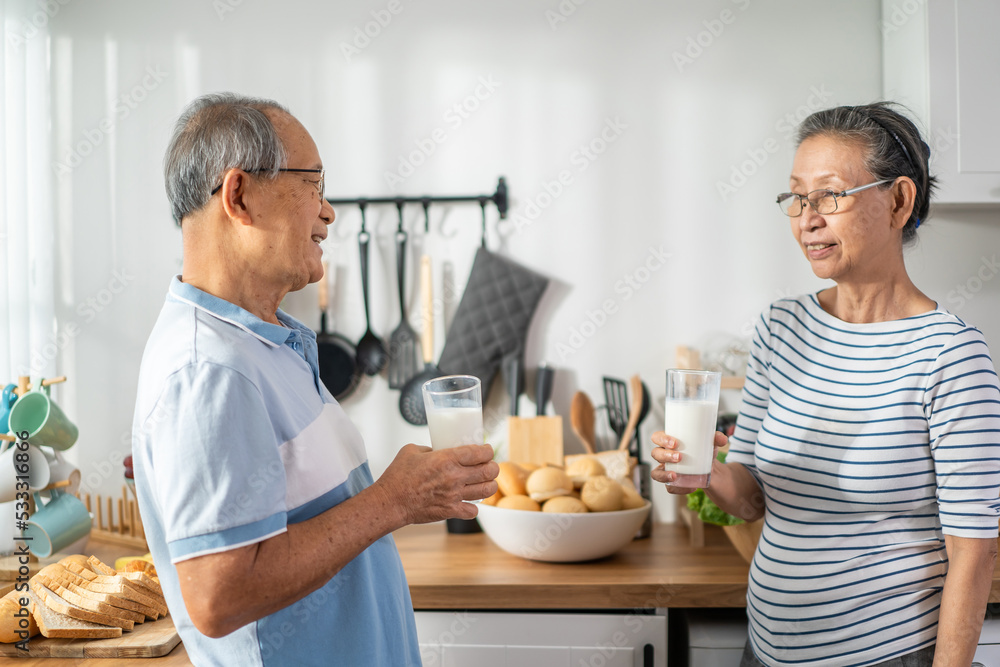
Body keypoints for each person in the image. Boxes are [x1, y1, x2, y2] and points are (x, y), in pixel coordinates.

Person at [132, 92, 498, 666]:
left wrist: (399, 499)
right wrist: (394, 501)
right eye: (314, 185)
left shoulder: (265, 344)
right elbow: (218, 596)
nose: (328, 212)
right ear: (240, 196)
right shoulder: (208, 371)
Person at [652, 102, 1000, 667]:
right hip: (763, 652)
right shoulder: (780, 327)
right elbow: (751, 500)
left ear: (899, 200)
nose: (807, 218)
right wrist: (712, 476)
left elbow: (974, 551)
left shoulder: (952, 354)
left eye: (830, 195)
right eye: (796, 197)